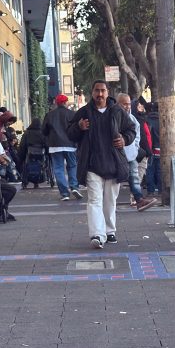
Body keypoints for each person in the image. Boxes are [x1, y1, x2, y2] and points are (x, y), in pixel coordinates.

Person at [67, 81, 136, 249]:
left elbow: (131, 130)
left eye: (103, 91)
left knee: (110, 201)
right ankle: (97, 234)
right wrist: (79, 126)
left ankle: (110, 231)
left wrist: (124, 139)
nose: (100, 94)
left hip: (114, 163)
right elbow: (70, 133)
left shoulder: (117, 111)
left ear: (107, 92)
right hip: (92, 164)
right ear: (92, 92)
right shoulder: (83, 112)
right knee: (94, 200)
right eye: (97, 90)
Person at [116, 93, 156, 211]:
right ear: (118, 105)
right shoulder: (114, 117)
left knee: (134, 176)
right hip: (116, 155)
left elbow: (137, 135)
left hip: (130, 153)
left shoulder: (133, 119)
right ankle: (108, 201)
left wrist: (134, 147)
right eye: (124, 104)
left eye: (128, 104)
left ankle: (139, 200)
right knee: (115, 180)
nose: (127, 107)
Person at [42, 94, 82, 201]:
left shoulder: (49, 115)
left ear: (56, 103)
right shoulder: (72, 114)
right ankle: (74, 186)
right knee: (72, 166)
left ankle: (64, 193)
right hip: (70, 144)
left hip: (55, 145)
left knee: (58, 169)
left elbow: (44, 131)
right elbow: (77, 129)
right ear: (65, 103)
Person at [0, 109, 19, 182]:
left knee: (4, 162)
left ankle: (1, 179)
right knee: (0, 163)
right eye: (8, 122)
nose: (8, 124)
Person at [18, 118, 47, 189]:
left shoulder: (27, 133)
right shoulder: (43, 132)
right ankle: (36, 182)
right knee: (41, 164)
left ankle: (25, 182)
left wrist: (21, 155)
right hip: (41, 153)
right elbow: (46, 143)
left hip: (30, 153)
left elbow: (22, 145)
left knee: (26, 164)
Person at [145, 102, 162, 195]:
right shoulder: (163, 120)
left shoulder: (147, 120)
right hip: (161, 149)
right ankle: (161, 190)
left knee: (150, 170)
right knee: (160, 170)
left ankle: (150, 191)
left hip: (150, 149)